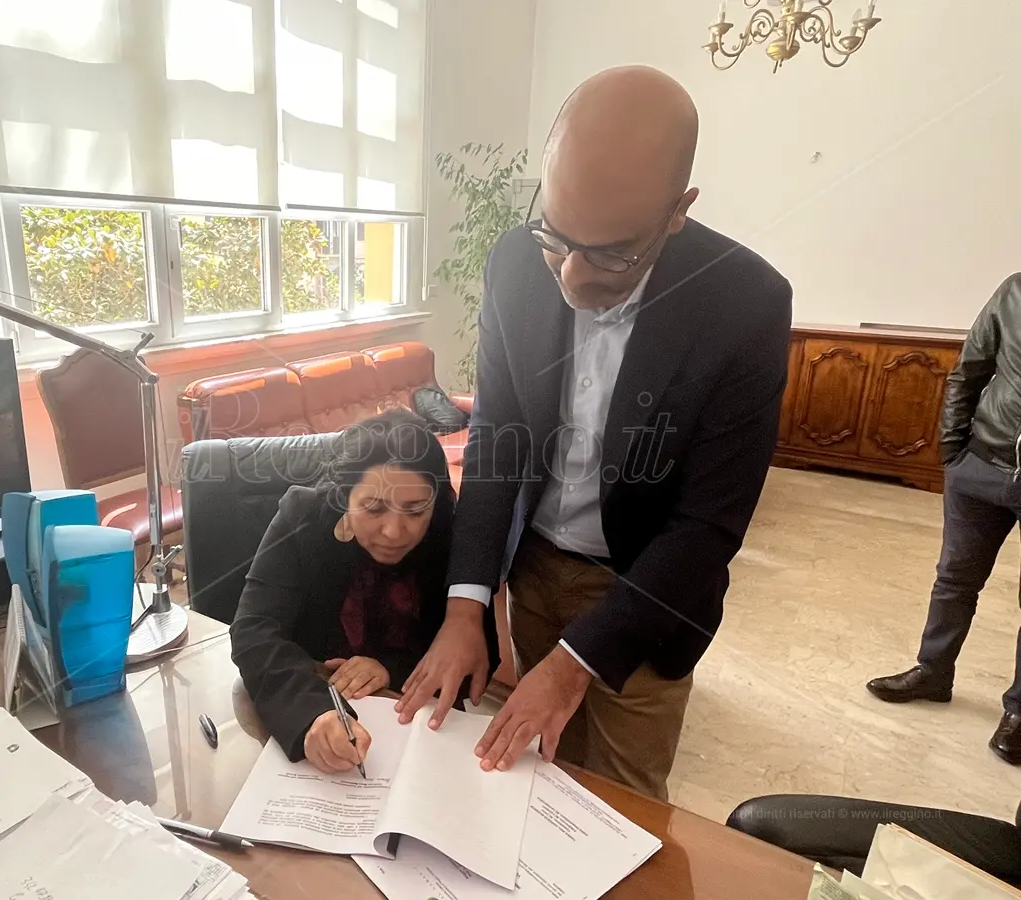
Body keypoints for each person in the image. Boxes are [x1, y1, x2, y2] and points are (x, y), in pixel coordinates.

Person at [395, 65, 793, 800]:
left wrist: (575, 663)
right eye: (557, 236)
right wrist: (464, 606)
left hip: (650, 590)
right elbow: (497, 440)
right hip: (535, 568)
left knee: (623, 809)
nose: (573, 277)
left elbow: (708, 524)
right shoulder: (516, 263)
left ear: (678, 210)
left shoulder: (747, 303)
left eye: (612, 253)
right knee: (536, 784)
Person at [231, 409, 493, 773]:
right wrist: (313, 713)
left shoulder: (451, 535)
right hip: (306, 701)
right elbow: (254, 629)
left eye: (415, 510)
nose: (394, 531)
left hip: (417, 725)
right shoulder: (302, 517)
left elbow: (478, 657)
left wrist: (391, 669)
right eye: (373, 507)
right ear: (345, 496)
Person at [867, 275, 1021, 765]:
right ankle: (933, 673)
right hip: (981, 463)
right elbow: (967, 372)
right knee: (954, 578)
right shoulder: (1015, 292)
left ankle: (1019, 713)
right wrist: (953, 450)